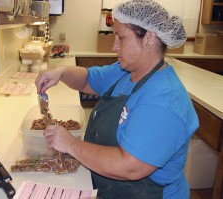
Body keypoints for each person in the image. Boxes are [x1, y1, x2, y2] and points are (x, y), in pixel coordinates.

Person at [35, 0, 199, 198]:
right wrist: (60, 72)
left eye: (121, 38)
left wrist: (70, 144)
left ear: (149, 38)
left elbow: (129, 167)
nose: (114, 47)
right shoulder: (125, 71)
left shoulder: (164, 100)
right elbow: (87, 79)